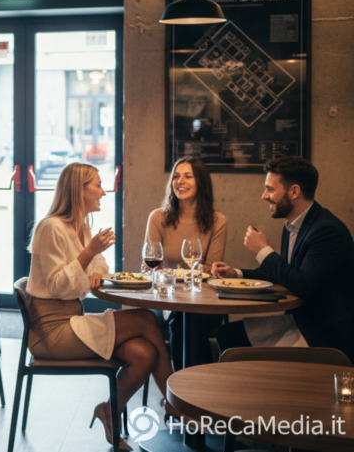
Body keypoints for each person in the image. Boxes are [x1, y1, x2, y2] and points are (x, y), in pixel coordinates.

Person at [25, 163, 174, 451]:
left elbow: (99, 265)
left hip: (72, 320)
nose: (103, 192)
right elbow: (58, 286)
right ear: (78, 191)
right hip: (52, 332)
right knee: (144, 318)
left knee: (145, 354)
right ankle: (174, 400)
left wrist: (95, 264)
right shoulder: (51, 227)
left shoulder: (79, 226)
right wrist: (89, 254)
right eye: (97, 185)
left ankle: (109, 410)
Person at [211, 156, 354, 361]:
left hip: (324, 334)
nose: (264, 196)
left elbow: (302, 283)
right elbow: (285, 273)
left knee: (234, 345)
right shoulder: (293, 224)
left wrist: (263, 250)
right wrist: (236, 273)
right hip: (301, 321)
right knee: (226, 335)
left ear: (294, 191)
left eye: (270, 189)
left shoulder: (327, 231)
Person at [145, 156, 227, 369]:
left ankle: (183, 386)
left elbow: (212, 269)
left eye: (188, 176)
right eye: (176, 176)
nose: (180, 182)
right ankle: (194, 386)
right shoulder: (157, 218)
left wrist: (173, 272)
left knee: (186, 315)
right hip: (165, 299)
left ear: (201, 182)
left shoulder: (218, 220)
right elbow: (150, 265)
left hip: (203, 301)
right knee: (180, 315)